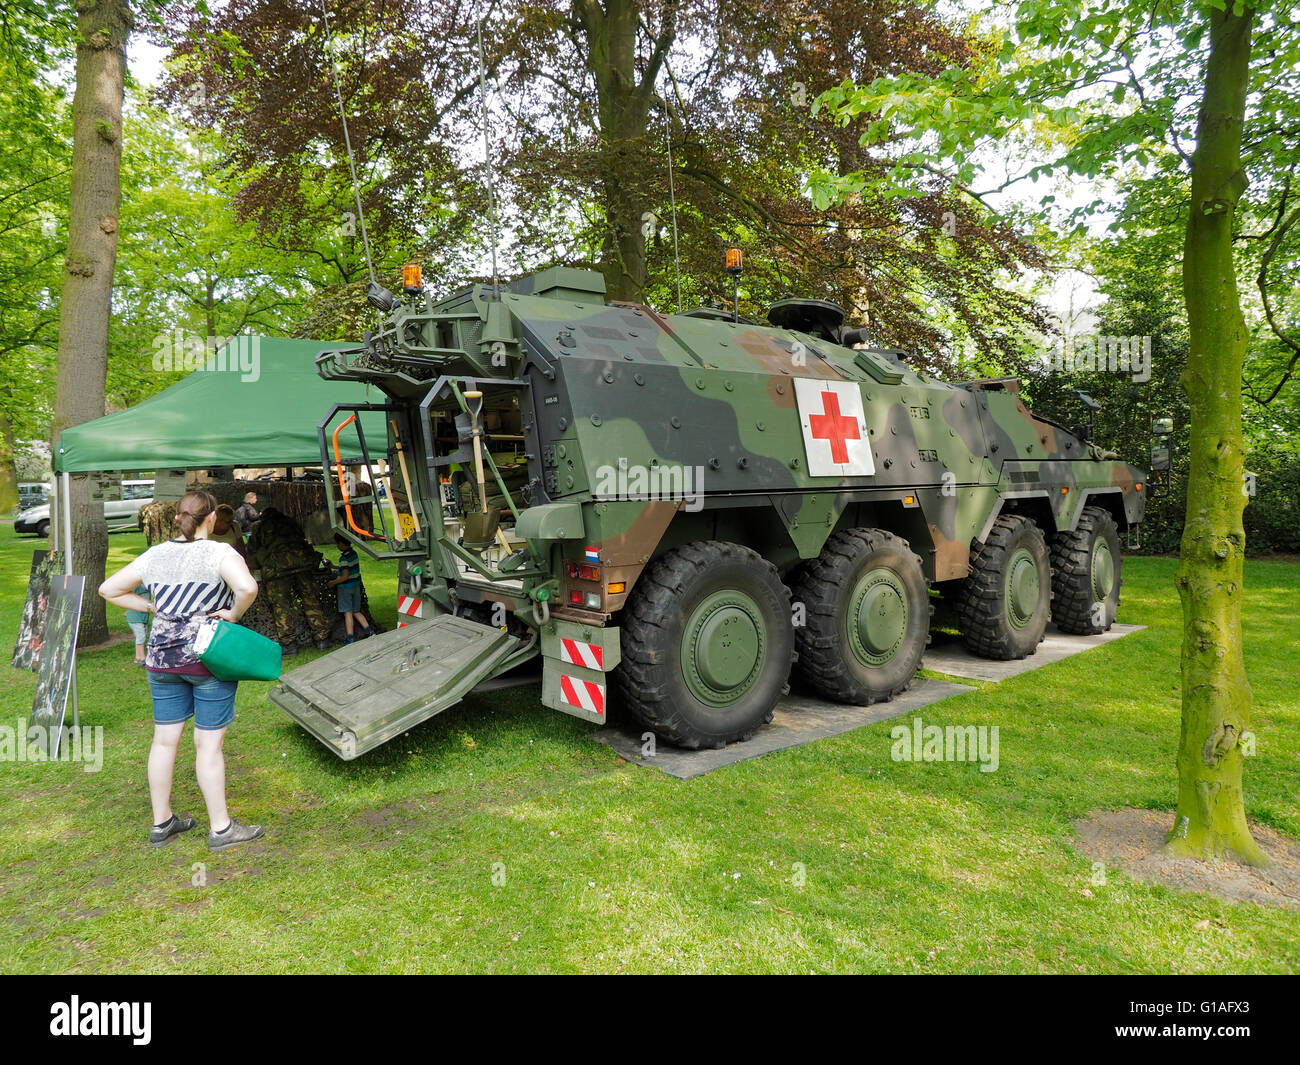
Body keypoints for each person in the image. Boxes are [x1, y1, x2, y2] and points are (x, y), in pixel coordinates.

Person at [99, 490, 265, 852]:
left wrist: (151, 606)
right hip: (207, 658)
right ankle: (221, 829)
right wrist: (233, 614)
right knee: (208, 744)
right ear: (210, 519)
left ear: (179, 518)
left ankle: (162, 822)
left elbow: (108, 588)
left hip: (160, 660)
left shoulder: (155, 554)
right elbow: (247, 587)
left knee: (163, 740)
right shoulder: (219, 552)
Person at [245, 507, 333, 656]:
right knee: (311, 600)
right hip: (302, 565)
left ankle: (289, 645)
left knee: (281, 606)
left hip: (276, 570)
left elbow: (252, 550)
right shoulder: (290, 523)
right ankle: (322, 639)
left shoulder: (259, 528)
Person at [327, 533, 374, 643]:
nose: (337, 546)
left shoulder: (343, 558)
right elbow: (346, 568)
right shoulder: (354, 554)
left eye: (337, 544)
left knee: (347, 613)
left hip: (345, 588)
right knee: (356, 611)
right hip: (355, 586)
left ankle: (350, 638)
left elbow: (344, 576)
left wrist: (333, 582)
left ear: (342, 544)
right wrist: (333, 566)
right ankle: (369, 632)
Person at [125, 584, 151, 666]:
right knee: (141, 637)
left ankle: (138, 657)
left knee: (141, 636)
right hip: (136, 617)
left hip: (141, 617)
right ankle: (142, 658)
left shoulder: (144, 586)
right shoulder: (139, 585)